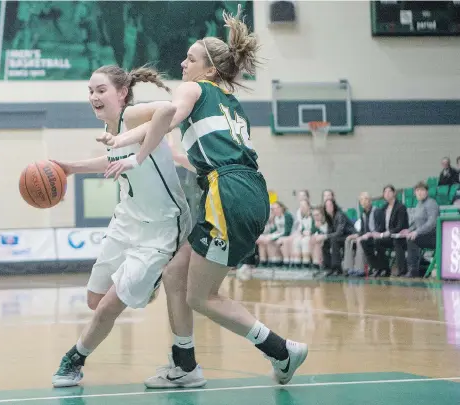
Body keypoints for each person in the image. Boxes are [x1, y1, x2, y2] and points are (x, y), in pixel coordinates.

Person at [98, 5, 308, 388]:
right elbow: (185, 142)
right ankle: (185, 364)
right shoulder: (229, 102)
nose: (182, 62)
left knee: (201, 296)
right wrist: (125, 143)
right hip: (245, 189)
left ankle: (281, 349)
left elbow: (164, 118)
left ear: (209, 69)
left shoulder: (193, 89)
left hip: (227, 192)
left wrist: (128, 149)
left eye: (190, 58)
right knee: (175, 273)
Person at [50, 65, 193, 388]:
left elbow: (168, 109)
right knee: (94, 300)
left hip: (160, 226)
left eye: (100, 90)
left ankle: (74, 359)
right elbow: (112, 159)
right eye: (90, 91)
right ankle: (150, 282)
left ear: (122, 93)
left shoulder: (133, 116)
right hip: (126, 219)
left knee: (108, 307)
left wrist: (137, 157)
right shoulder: (113, 128)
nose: (93, 97)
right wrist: (71, 168)